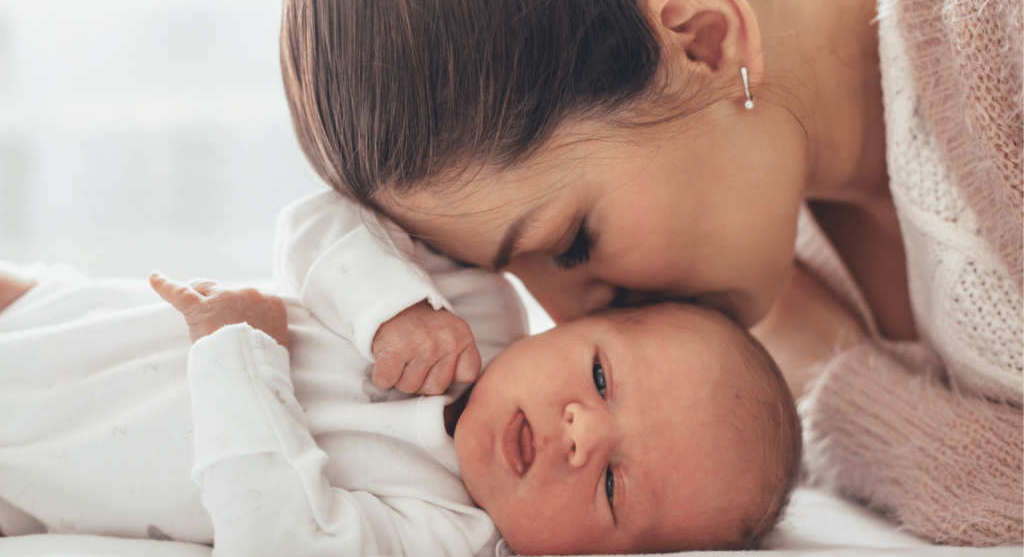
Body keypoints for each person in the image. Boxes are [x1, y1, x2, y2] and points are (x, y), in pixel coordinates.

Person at [278, 0, 1022, 546]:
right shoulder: (759, 277)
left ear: (703, 37)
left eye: (572, 241)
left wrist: (839, 387)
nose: (572, 319)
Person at [0, 191, 801, 555]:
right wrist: (392, 308)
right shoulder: (473, 306)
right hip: (57, 316)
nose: (583, 433)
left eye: (617, 488)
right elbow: (318, 220)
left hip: (27, 482)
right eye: (598, 377)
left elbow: (276, 539)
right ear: (574, 322)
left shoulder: (444, 534)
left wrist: (237, 351)